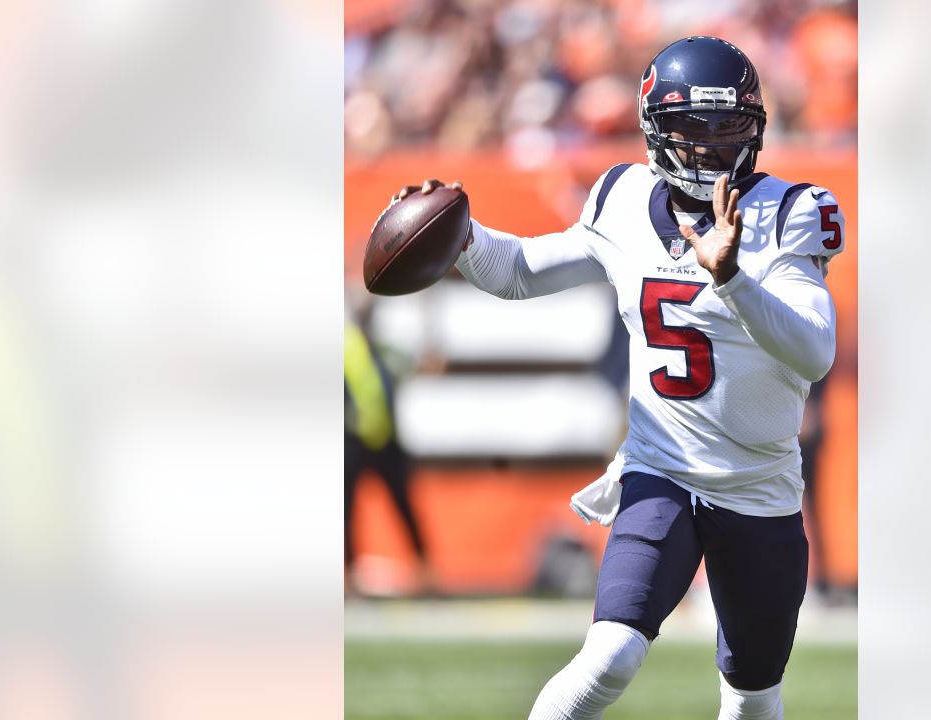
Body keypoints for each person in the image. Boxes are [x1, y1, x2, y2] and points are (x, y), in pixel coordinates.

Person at [392, 36, 845, 720]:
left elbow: (814, 351)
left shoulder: (787, 213)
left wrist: (733, 280)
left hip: (759, 490)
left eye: (730, 128)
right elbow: (518, 271)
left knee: (753, 699)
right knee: (610, 654)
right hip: (661, 472)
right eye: (695, 129)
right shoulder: (624, 200)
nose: (714, 147)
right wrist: (460, 236)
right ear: (659, 134)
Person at [344, 287, 430, 595]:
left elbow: (416, 366)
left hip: (387, 441)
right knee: (346, 512)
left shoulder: (384, 349)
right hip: (353, 442)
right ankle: (350, 578)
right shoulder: (347, 349)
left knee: (404, 506)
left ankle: (425, 572)